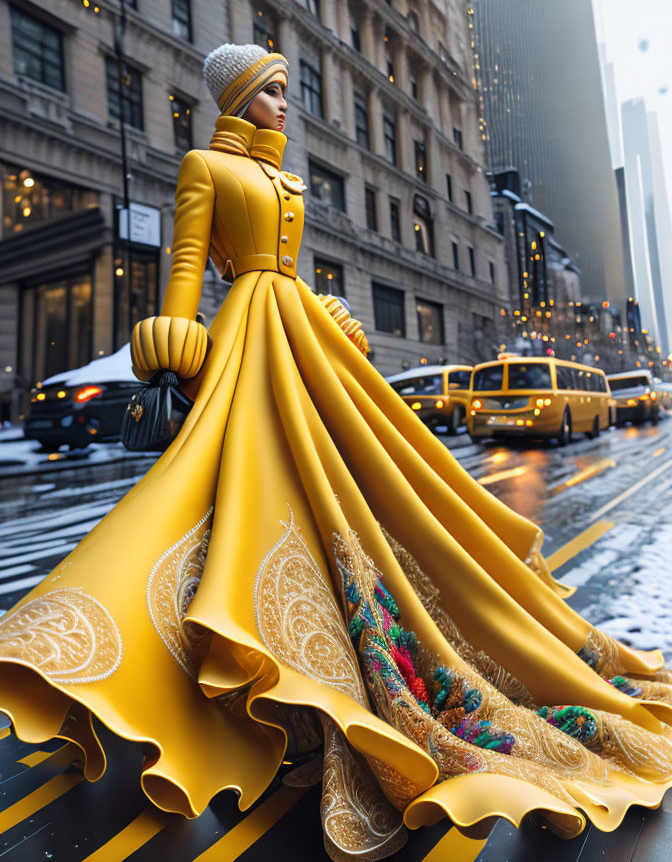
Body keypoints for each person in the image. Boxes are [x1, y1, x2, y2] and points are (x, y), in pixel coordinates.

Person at [0, 43, 671, 862]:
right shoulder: (204, 169)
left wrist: (330, 308)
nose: (286, 104)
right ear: (240, 97)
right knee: (238, 495)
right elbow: (187, 265)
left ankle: (309, 680)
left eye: (286, 90)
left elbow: (293, 264)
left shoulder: (287, 180)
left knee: (348, 486)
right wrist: (173, 343)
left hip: (300, 333)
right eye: (272, 92)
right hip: (248, 337)